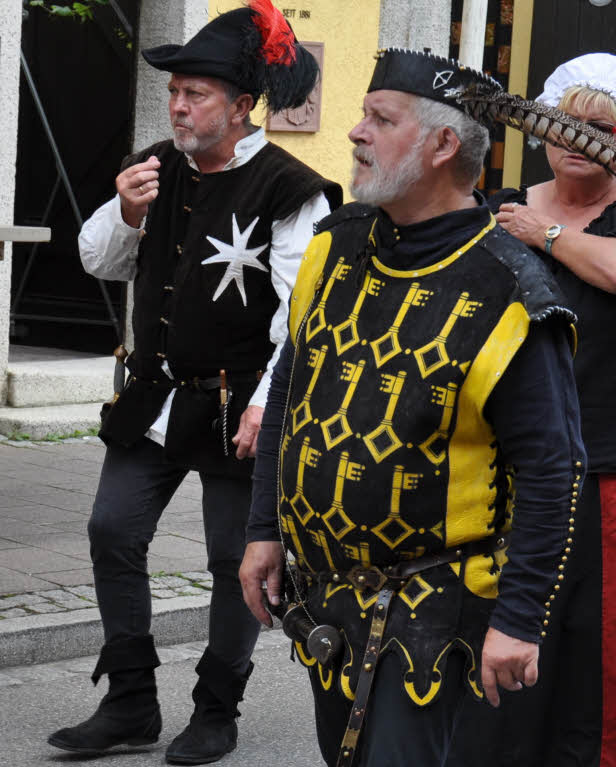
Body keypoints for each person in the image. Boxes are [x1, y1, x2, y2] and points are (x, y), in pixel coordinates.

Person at [238, 48, 585, 767]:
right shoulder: (334, 247)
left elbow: (553, 468)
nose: (356, 132)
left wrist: (519, 619)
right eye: (364, 114)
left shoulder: (510, 291)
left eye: (380, 118)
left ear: (442, 145)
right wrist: (265, 526)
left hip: (439, 608)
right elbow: (289, 402)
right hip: (326, 594)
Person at [47, 3, 343, 764]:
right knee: (112, 528)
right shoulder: (156, 164)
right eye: (176, 91)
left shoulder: (291, 188)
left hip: (236, 404)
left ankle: (217, 706)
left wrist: (264, 403)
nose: (178, 106)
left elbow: (300, 319)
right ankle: (130, 701)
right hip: (154, 395)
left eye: (196, 94)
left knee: (232, 560)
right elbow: (98, 261)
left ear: (242, 106)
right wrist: (126, 211)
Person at [447, 53, 616, 767]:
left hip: (615, 457)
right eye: (563, 120)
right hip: (516, 456)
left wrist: (546, 235)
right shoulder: (502, 201)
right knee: (513, 623)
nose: (577, 135)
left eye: (597, 124)